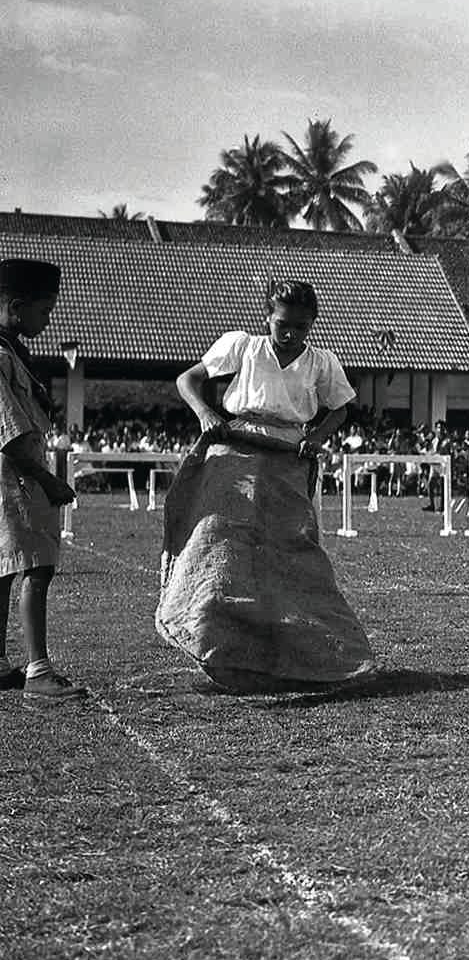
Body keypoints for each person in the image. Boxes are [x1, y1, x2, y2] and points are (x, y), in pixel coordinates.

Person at [160, 277, 372, 689]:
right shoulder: (242, 346)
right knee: (218, 543)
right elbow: (187, 380)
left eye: (301, 326)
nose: (290, 334)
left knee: (288, 551)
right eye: (281, 324)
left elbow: (341, 409)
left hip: (286, 459)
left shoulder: (321, 362)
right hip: (235, 450)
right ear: (267, 318)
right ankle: (211, 642)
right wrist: (205, 412)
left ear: (312, 324)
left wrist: (317, 436)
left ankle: (295, 652)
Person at [0, 259, 83, 702]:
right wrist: (47, 480)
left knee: (5, 567)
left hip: (15, 473)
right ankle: (38, 670)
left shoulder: (11, 350)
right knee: (36, 565)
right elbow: (9, 431)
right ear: (16, 307)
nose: (48, 320)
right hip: (15, 475)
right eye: (45, 310)